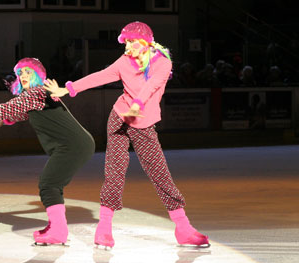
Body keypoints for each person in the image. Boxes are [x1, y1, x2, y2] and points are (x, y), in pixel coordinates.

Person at [44, 21, 210, 248]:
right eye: (126, 42)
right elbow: (101, 76)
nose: (127, 47)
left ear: (144, 43)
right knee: (114, 172)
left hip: (142, 124)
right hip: (119, 118)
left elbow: (151, 86)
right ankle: (103, 230)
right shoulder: (124, 62)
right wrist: (68, 89)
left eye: (131, 42)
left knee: (160, 174)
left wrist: (138, 105)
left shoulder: (162, 62)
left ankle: (183, 228)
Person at [0, 58, 95, 245]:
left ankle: (59, 231)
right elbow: (21, 111)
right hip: (75, 144)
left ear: (37, 75)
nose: (23, 76)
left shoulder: (37, 92)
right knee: (53, 184)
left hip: (72, 145)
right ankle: (56, 226)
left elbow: (10, 107)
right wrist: (7, 119)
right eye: (20, 73)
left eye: (28, 72)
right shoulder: (36, 96)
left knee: (48, 184)